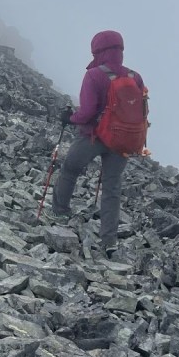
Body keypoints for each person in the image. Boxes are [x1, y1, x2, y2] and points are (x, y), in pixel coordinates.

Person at [52, 30, 146, 257]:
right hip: (123, 141)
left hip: (92, 137)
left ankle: (59, 212)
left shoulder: (94, 75)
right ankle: (109, 241)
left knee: (70, 169)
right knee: (112, 187)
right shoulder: (135, 77)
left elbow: (86, 113)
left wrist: (69, 118)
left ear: (98, 50)